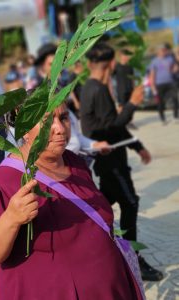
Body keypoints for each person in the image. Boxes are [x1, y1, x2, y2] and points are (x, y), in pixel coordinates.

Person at [0, 101, 144, 300]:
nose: (60, 129)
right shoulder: (2, 182)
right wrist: (11, 219)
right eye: (47, 121)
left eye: (63, 118)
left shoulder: (74, 161)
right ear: (24, 129)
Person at [80, 42, 163, 281]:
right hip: (111, 162)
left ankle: (102, 248)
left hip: (105, 161)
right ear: (112, 64)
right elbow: (113, 128)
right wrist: (133, 103)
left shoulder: (89, 87)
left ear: (89, 64)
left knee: (105, 204)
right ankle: (132, 255)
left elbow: (107, 126)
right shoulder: (99, 90)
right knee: (131, 203)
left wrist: (137, 146)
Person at [149, 44, 179, 124]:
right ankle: (163, 119)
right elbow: (152, 75)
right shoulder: (154, 61)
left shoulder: (170, 58)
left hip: (171, 82)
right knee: (160, 102)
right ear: (158, 52)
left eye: (164, 50)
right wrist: (153, 88)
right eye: (162, 50)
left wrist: (175, 69)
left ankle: (175, 117)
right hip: (159, 84)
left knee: (175, 99)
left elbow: (175, 66)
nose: (163, 52)